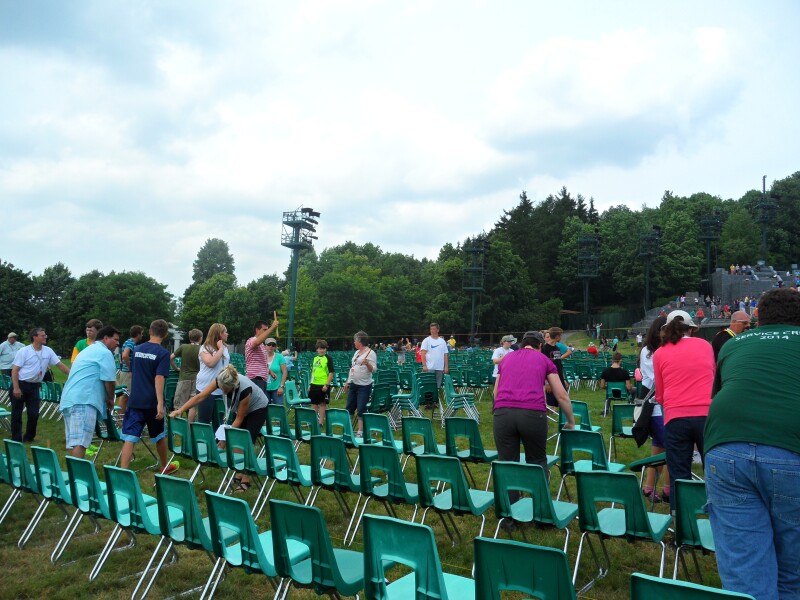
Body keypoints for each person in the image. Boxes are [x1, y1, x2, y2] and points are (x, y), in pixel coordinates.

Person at [704, 288, 800, 599]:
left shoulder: (735, 343)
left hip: (725, 447)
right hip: (788, 448)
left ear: (758, 316)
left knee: (745, 571)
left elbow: (718, 393)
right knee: (794, 570)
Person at [493, 330, 574, 499]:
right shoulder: (544, 360)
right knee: (537, 461)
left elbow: (495, 391)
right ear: (540, 345)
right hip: (532, 414)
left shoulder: (507, 359)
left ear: (522, 344)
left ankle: (510, 514)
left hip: (503, 413)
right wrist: (570, 421)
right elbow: (561, 395)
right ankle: (541, 512)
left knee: (507, 463)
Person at [653, 309, 714, 512]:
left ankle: (682, 523)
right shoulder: (705, 345)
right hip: (707, 415)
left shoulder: (660, 353)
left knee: (679, 471)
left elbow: (660, 395)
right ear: (691, 328)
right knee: (713, 469)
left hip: (676, 416)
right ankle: (717, 512)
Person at [171, 364, 268, 492]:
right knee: (237, 441)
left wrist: (224, 439)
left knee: (246, 440)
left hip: (257, 409)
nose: (222, 391)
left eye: (225, 390)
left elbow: (239, 418)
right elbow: (200, 396)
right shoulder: (220, 379)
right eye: (221, 388)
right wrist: (181, 410)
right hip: (240, 408)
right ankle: (239, 473)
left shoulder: (245, 390)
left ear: (233, 386)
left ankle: (246, 480)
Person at [119, 319, 177, 474]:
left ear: (150, 331)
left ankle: (123, 471)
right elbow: (159, 378)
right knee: (159, 436)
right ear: (165, 334)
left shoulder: (137, 349)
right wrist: (160, 403)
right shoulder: (163, 354)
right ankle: (164, 466)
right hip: (152, 402)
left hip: (135, 399)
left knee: (130, 437)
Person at [60, 326, 120, 458]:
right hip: (83, 400)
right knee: (80, 443)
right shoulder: (105, 353)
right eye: (115, 339)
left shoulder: (89, 350)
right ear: (105, 338)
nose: (118, 343)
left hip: (70, 399)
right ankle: (77, 477)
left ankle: (75, 474)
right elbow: (109, 381)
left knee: (76, 442)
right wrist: (110, 398)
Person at [11, 328, 70, 442]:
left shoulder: (48, 351)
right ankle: (16, 439)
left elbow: (60, 365)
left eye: (45, 335)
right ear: (35, 337)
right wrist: (16, 388)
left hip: (34, 386)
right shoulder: (24, 351)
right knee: (17, 413)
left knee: (34, 413)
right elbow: (15, 370)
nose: (45, 337)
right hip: (21, 384)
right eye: (42, 335)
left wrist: (72, 375)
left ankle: (29, 437)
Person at [638, 315, 669, 502]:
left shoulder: (657, 350)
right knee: (670, 450)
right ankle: (668, 490)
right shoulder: (649, 352)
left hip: (660, 407)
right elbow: (660, 379)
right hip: (657, 408)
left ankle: (649, 488)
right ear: (658, 331)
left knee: (658, 449)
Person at [195, 323, 230, 423]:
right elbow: (211, 363)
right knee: (204, 419)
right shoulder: (205, 348)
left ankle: (216, 439)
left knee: (218, 420)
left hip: (220, 389)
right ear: (219, 334)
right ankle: (202, 438)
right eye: (225, 332)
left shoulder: (225, 348)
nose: (227, 334)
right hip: (205, 388)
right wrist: (220, 349)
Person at [345, 331, 376, 436]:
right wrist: (348, 382)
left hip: (364, 385)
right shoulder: (356, 353)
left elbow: (374, 370)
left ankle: (360, 431)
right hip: (353, 384)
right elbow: (352, 368)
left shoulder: (371, 353)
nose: (354, 342)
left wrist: (367, 364)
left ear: (360, 341)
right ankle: (348, 430)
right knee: (349, 407)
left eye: (355, 340)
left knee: (361, 408)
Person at [170, 328, 203, 420]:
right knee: (193, 405)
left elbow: (170, 358)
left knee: (178, 406)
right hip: (197, 380)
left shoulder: (183, 347)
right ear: (200, 338)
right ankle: (189, 430)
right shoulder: (202, 349)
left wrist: (176, 368)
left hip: (183, 378)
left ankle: (177, 430)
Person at [244, 318, 279, 393]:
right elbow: (256, 342)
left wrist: (270, 372)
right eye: (264, 330)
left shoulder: (262, 345)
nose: (266, 332)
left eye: (267, 330)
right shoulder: (251, 340)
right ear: (257, 330)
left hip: (261, 379)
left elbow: (261, 362)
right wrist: (272, 328)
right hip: (255, 378)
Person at [308, 340, 334, 425]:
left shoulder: (328, 358)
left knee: (322, 404)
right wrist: (310, 384)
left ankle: (321, 422)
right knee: (314, 404)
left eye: (323, 348)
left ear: (326, 349)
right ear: (317, 350)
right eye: (320, 349)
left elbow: (331, 372)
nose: (322, 350)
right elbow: (313, 372)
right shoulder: (315, 359)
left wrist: (327, 384)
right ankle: (314, 422)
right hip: (314, 384)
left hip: (323, 385)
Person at [542, 327, 568, 406]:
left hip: (559, 377)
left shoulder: (557, 348)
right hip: (551, 380)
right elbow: (543, 367)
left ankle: (559, 416)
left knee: (561, 401)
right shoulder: (545, 349)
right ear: (557, 336)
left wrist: (563, 379)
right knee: (551, 402)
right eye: (560, 335)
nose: (561, 337)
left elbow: (558, 364)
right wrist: (547, 382)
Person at [420, 323, 449, 387]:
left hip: (440, 368)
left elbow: (445, 354)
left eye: (433, 329)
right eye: (431, 329)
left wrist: (446, 367)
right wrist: (424, 366)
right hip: (429, 368)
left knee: (438, 387)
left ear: (438, 330)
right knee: (429, 387)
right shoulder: (426, 340)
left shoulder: (442, 341)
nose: (432, 331)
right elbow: (422, 353)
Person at [119, 325, 144, 390]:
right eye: (141, 333)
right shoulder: (131, 343)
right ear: (138, 334)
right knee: (126, 395)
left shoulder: (128, 342)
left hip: (125, 372)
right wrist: (130, 368)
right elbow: (125, 355)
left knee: (126, 395)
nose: (142, 335)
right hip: (127, 373)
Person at [264, 338, 287, 404]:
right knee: (265, 409)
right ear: (265, 346)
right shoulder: (262, 357)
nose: (271, 346)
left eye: (273, 345)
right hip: (265, 387)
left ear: (275, 347)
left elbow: (284, 372)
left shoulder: (280, 357)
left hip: (277, 388)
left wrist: (281, 386)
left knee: (279, 408)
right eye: (269, 344)